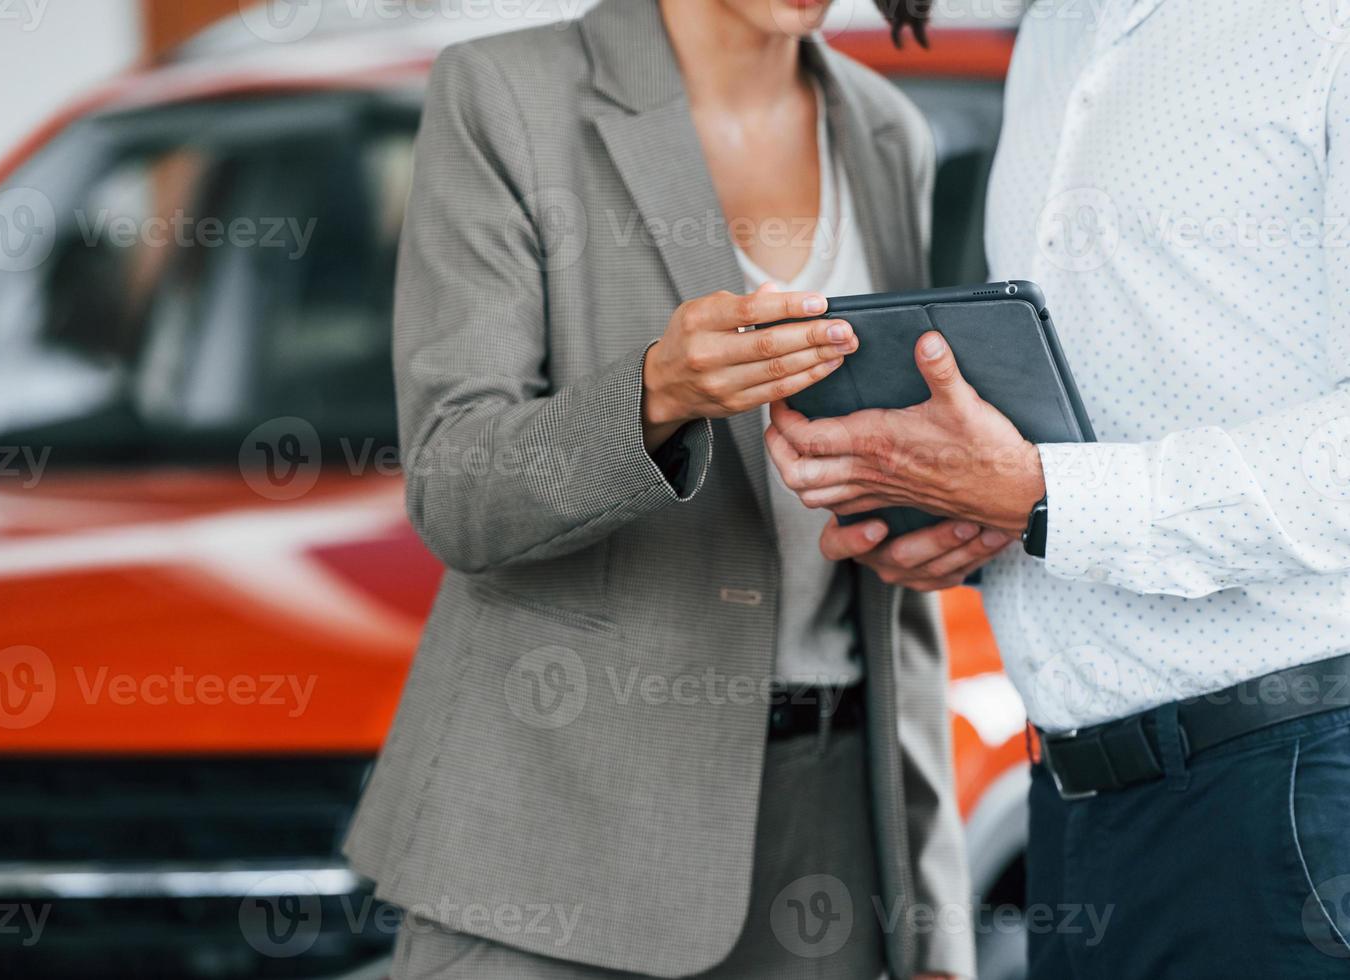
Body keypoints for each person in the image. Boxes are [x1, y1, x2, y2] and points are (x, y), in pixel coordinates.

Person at [339, 1, 973, 977]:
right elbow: (454, 486)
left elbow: (893, 566)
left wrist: (929, 915)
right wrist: (652, 395)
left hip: (831, 844)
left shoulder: (886, 129)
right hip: (560, 839)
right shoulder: (506, 96)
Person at [766, 1, 1350, 976]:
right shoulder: (1054, 34)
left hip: (1290, 791)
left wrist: (1043, 495)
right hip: (1073, 810)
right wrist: (960, 506)